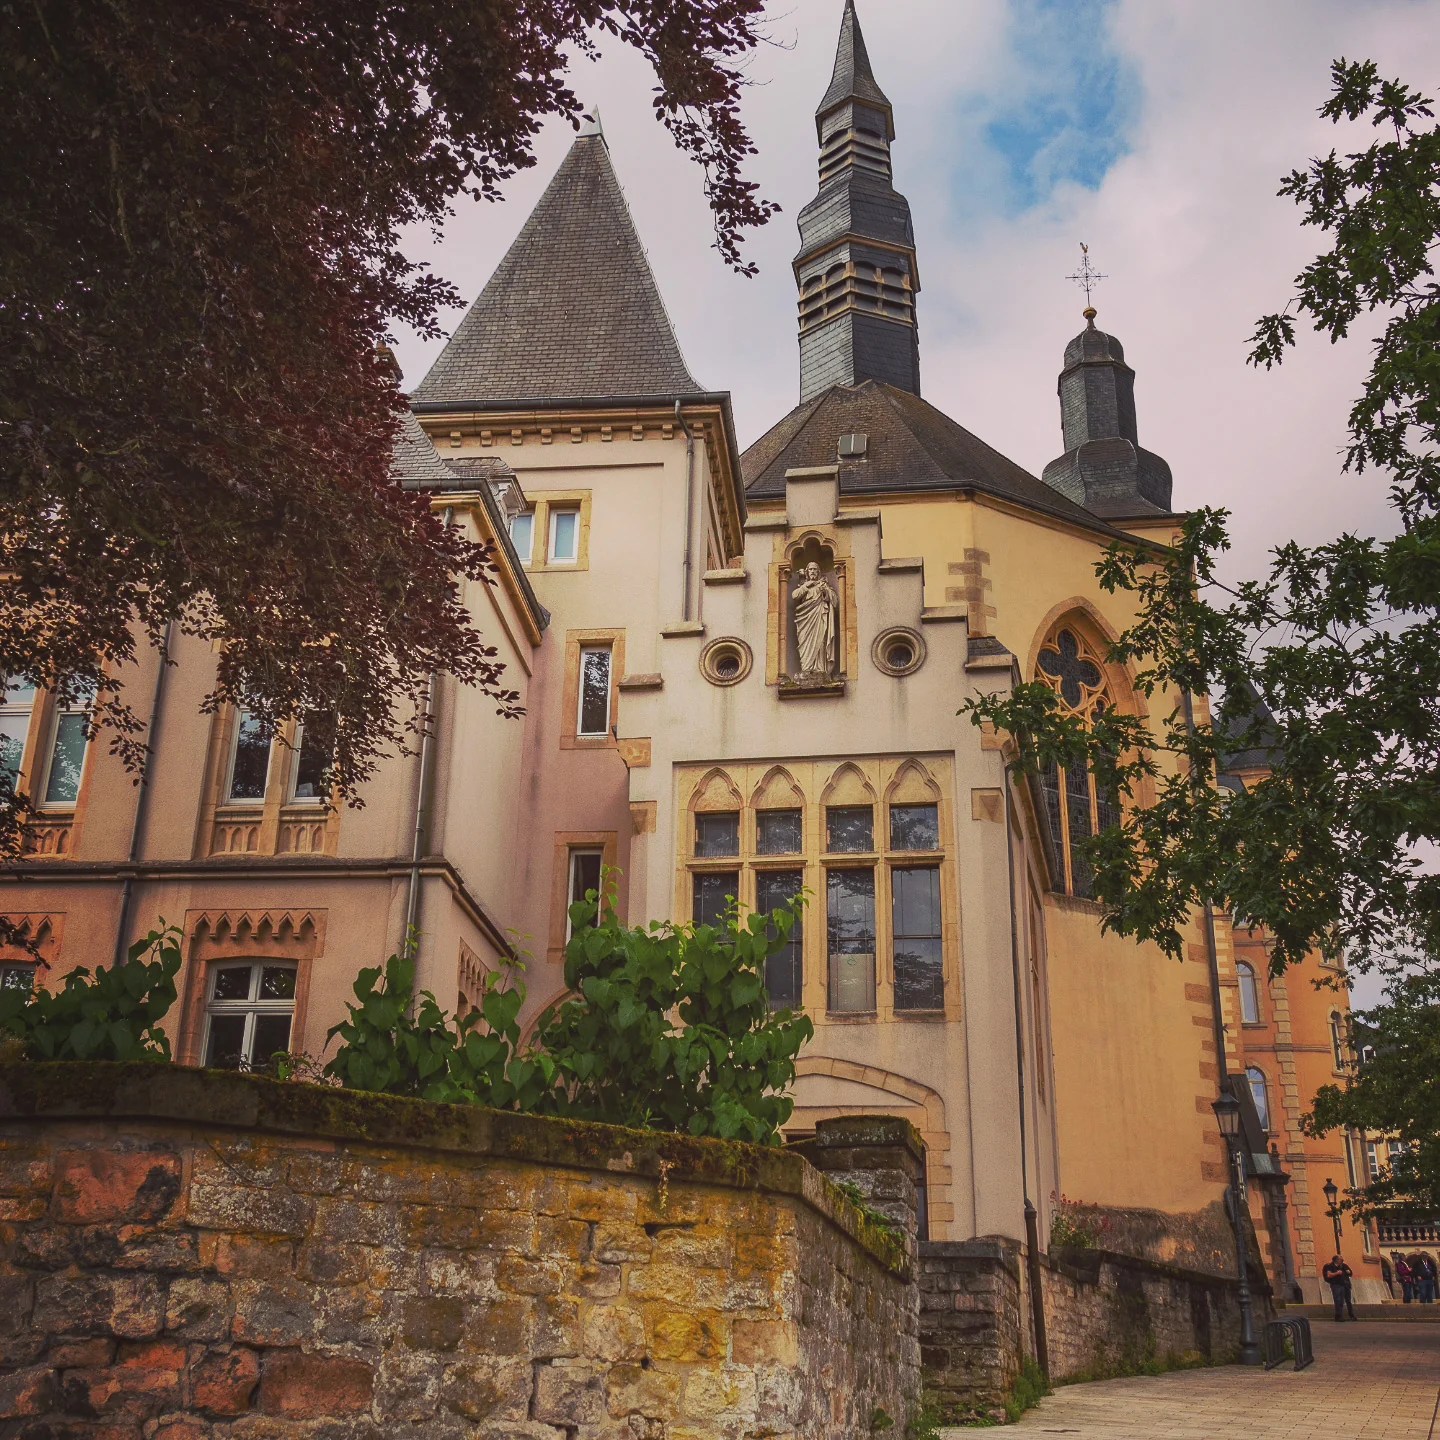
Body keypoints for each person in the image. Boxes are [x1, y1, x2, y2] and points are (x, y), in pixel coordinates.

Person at [1322, 1254, 1357, 1320]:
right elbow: (1328, 1275)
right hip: (1336, 1285)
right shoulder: (1330, 1266)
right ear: (1336, 1260)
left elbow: (1350, 1273)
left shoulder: (1344, 1266)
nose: (1342, 1260)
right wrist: (1337, 1273)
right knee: (1339, 1300)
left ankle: (1351, 1315)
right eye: (1341, 1259)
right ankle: (1338, 1316)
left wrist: (1349, 1272)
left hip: (1346, 1285)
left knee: (1348, 1300)